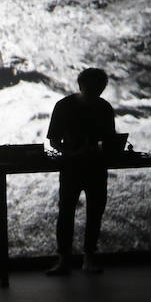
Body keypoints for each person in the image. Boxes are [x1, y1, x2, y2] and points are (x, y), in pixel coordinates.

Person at [44, 67, 115, 275]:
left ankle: (71, 260)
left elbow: (55, 141)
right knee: (69, 212)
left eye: (99, 88)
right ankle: (77, 259)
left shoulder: (93, 107)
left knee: (91, 212)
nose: (96, 92)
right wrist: (74, 152)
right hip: (76, 166)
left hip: (90, 166)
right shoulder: (69, 106)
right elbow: (55, 141)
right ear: (82, 86)